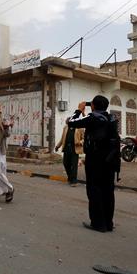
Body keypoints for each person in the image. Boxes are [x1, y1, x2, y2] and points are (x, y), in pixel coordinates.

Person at [68, 96, 120, 233]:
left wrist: (79, 110)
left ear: (93, 106)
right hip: (111, 160)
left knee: (94, 190)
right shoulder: (112, 118)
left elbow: (71, 122)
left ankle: (98, 223)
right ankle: (108, 223)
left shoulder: (93, 118)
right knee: (108, 191)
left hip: (95, 159)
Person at [55, 117, 84, 186]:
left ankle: (74, 181)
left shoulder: (79, 128)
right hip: (67, 149)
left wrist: (80, 142)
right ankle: (70, 178)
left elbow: (84, 138)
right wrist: (57, 146)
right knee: (66, 163)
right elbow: (62, 139)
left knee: (74, 166)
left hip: (75, 149)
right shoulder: (65, 128)